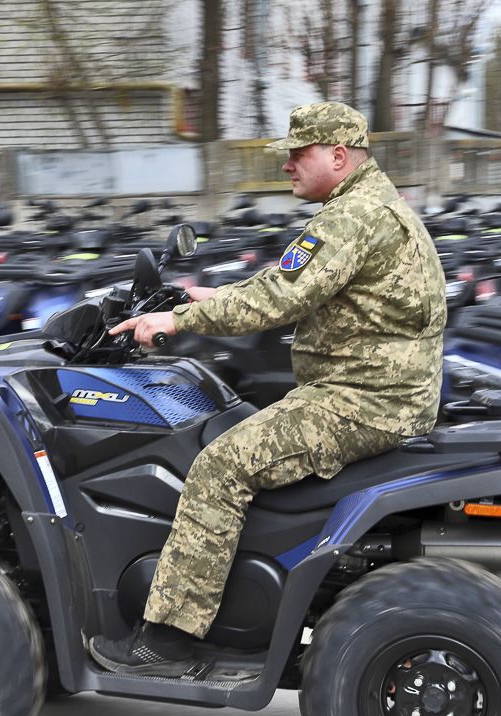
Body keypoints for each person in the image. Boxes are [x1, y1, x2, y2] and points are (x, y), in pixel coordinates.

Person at [89, 101, 446, 675]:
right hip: (380, 391)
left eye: (298, 154)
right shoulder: (374, 205)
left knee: (219, 465)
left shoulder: (351, 216)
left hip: (359, 400)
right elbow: (290, 279)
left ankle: (167, 641)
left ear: (337, 154)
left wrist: (177, 322)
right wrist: (207, 296)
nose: (287, 167)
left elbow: (280, 299)